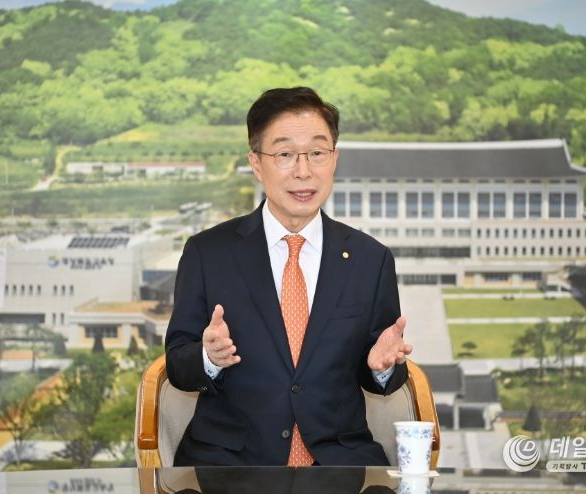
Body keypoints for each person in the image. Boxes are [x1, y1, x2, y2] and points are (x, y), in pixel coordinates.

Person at [165, 87, 412, 467]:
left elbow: (380, 366)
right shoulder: (208, 252)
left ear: (334, 159)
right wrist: (209, 357)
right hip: (230, 464)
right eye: (284, 154)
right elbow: (179, 365)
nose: (303, 171)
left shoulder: (370, 259)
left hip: (337, 465)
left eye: (317, 152)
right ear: (256, 163)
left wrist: (383, 366)